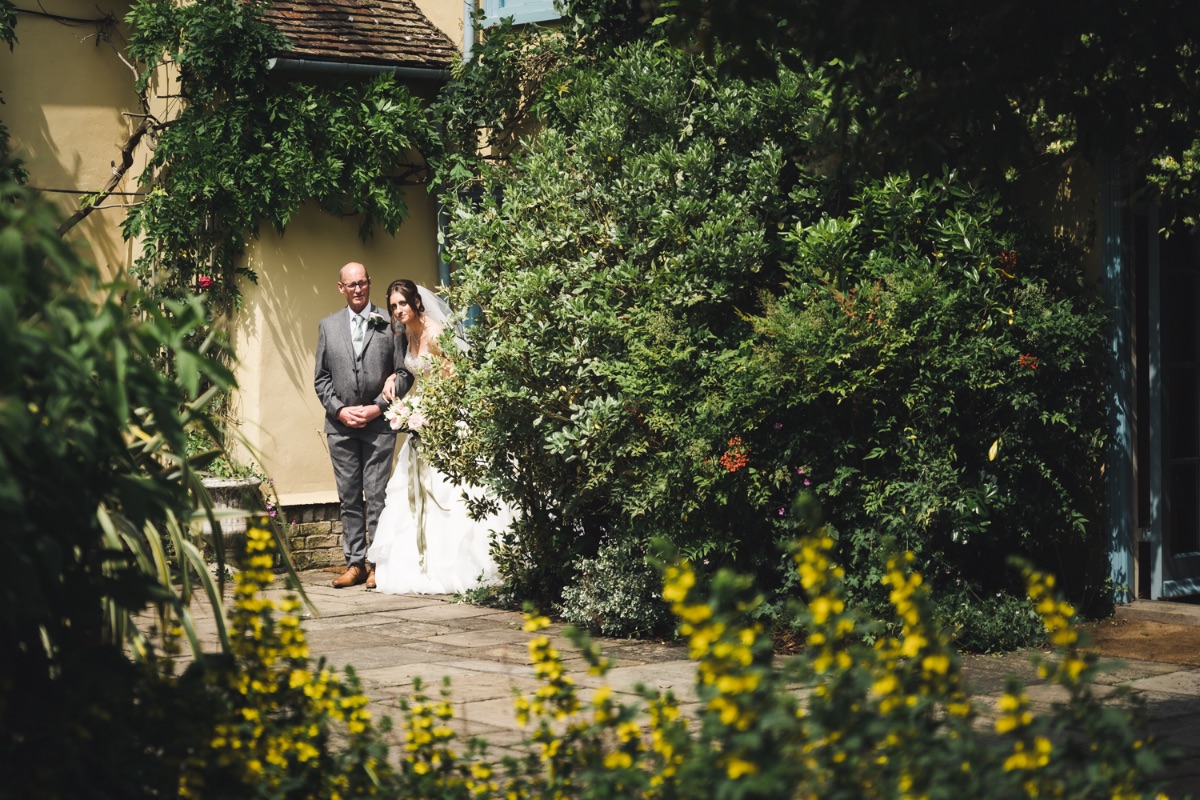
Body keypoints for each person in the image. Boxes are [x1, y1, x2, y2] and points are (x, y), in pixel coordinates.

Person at [367, 280, 513, 594]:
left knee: (451, 493)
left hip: (447, 417)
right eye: (393, 306)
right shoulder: (408, 332)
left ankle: (459, 565)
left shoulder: (435, 333)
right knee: (412, 492)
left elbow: (456, 381)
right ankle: (419, 563)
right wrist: (395, 378)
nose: (397, 310)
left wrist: (430, 412)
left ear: (417, 302)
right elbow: (414, 369)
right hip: (425, 417)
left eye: (402, 304)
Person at [314, 262, 412, 589]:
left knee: (377, 494)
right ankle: (354, 563)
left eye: (362, 283)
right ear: (341, 288)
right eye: (351, 285)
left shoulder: (390, 322)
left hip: (379, 425)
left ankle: (377, 565)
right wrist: (340, 411)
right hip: (340, 427)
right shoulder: (327, 326)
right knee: (349, 497)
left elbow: (404, 373)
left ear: (369, 283)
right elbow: (322, 379)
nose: (357, 289)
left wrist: (377, 407)